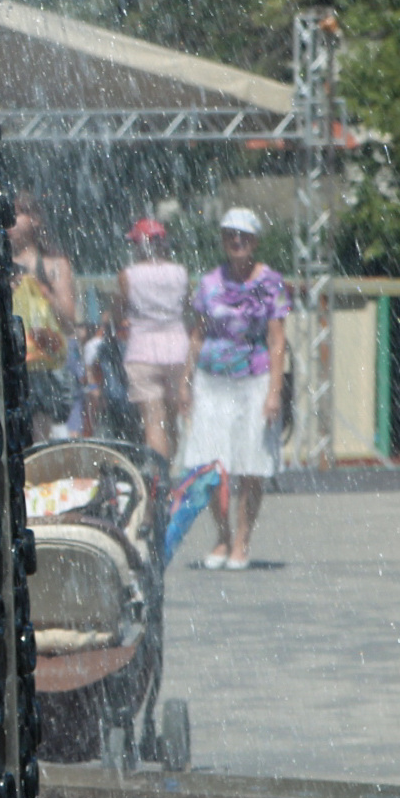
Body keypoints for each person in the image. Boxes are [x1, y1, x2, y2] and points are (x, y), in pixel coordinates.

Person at [179, 207, 288, 570]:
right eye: (230, 235)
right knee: (213, 463)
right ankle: (222, 536)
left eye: (243, 236)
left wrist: (275, 391)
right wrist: (185, 382)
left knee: (250, 463)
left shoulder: (271, 282)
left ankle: (242, 540)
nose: (236, 241)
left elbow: (277, 341)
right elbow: (197, 334)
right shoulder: (209, 283)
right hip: (213, 380)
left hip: (254, 379)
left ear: (255, 241)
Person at [114, 216, 189, 462]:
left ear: (138, 245)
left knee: (153, 422)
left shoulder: (128, 275)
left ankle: (161, 480)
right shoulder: (180, 272)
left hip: (142, 350)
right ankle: (172, 469)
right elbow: (186, 308)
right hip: (177, 349)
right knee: (171, 418)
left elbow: (120, 310)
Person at [7, 191, 77, 444]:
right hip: (7, 363)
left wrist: (45, 292)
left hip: (42, 366)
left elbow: (69, 322)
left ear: (35, 219)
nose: (7, 221)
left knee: (38, 439)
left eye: (15, 214)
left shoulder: (53, 266)